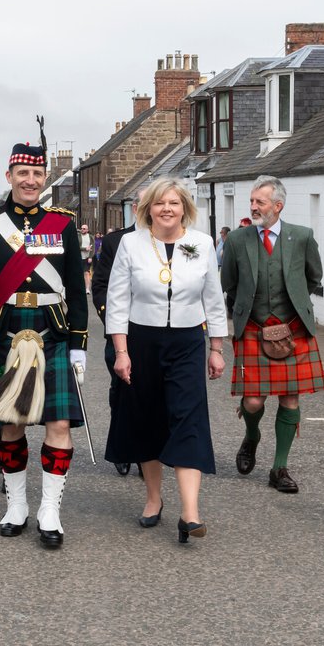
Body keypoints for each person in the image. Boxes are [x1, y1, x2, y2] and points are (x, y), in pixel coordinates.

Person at [0, 125, 87, 549]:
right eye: (22, 173)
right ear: (9, 175)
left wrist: (80, 344)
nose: (30, 181)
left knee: (58, 422)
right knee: (10, 424)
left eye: (37, 174)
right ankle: (17, 505)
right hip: (4, 330)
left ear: (44, 178)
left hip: (52, 330)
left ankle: (50, 510)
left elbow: (76, 289)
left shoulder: (62, 224)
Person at [106, 179, 227, 543]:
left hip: (187, 341)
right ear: (148, 209)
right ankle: (153, 498)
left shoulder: (202, 243)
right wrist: (121, 352)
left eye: (174, 203)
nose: (167, 209)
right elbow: (117, 302)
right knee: (147, 419)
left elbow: (214, 299)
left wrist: (216, 348)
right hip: (141, 341)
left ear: (184, 207)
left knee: (188, 418)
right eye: (160, 203)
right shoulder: (131, 243)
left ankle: (190, 512)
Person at [220, 175, 324, 494]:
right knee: (252, 401)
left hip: (292, 328)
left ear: (278, 206)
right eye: (251, 201)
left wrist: (292, 304)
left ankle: (279, 468)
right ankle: (251, 436)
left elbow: (313, 276)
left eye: (259, 202)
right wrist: (248, 312)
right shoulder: (238, 240)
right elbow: (229, 282)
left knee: (290, 399)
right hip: (253, 326)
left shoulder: (302, 237)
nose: (253, 207)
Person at [92, 199, 140, 478]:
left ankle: (149, 452)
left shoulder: (172, 240)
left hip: (159, 329)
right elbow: (100, 285)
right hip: (121, 329)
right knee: (122, 390)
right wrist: (113, 321)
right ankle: (122, 446)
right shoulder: (114, 241)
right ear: (135, 207)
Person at [79, 223, 93, 293]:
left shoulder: (90, 237)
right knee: (79, 273)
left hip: (87, 258)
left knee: (86, 273)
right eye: (81, 228)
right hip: (79, 257)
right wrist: (85, 248)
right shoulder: (78, 236)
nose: (82, 229)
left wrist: (90, 257)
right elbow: (76, 246)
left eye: (84, 229)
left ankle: (87, 289)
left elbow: (92, 248)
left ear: (87, 230)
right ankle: (80, 288)